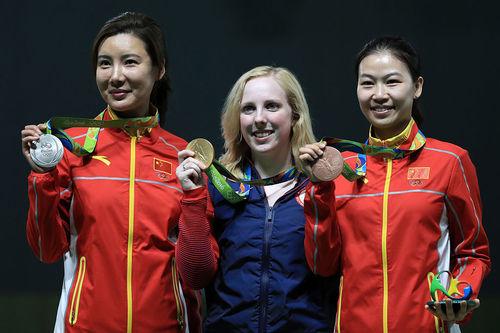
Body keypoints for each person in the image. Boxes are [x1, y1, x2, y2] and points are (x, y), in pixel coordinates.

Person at [21, 12, 201, 332]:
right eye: (105, 64)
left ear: (159, 69)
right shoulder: (71, 147)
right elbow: (47, 250)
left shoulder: (182, 156)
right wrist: (41, 176)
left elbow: (197, 265)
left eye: (129, 62)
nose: (115, 76)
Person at [299, 36, 491, 332]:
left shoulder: (450, 161)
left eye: (392, 82)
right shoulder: (341, 169)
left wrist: (459, 293)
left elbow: (474, 252)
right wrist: (318, 189)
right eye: (367, 83)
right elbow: (322, 264)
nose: (379, 94)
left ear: (417, 87)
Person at [175, 66, 338, 332]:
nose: (259, 119)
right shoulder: (219, 185)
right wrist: (193, 199)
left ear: (294, 115)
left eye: (272, 106)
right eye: (248, 109)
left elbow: (327, 267)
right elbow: (195, 275)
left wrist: (320, 194)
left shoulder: (318, 186)